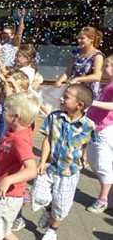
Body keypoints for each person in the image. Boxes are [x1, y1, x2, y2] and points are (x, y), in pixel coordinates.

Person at [31, 84, 95, 240]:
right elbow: (47, 139)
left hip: (69, 172)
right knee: (38, 195)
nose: (61, 98)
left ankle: (52, 230)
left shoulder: (88, 126)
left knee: (61, 205)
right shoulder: (54, 117)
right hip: (50, 167)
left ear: (79, 105)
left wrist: (84, 156)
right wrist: (41, 162)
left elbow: (86, 143)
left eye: (66, 97)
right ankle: (48, 210)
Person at [0, 93, 39, 240]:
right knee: (5, 231)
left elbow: (32, 170)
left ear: (16, 116)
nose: (2, 112)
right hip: (3, 192)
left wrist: (8, 180)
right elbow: (2, 150)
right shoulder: (12, 131)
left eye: (5, 110)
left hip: (6, 196)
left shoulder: (20, 140)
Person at [86, 54, 113, 213]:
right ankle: (109, 197)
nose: (104, 68)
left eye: (109, 65)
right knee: (94, 161)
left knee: (102, 164)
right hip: (97, 128)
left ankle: (103, 199)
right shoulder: (109, 84)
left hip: (106, 129)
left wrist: (93, 102)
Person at [54, 26, 104, 98]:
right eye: (78, 38)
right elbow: (68, 72)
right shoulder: (76, 54)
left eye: (82, 38)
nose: (79, 40)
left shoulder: (97, 56)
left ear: (91, 39)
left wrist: (77, 79)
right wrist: (60, 80)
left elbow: (97, 76)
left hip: (89, 92)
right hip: (75, 91)